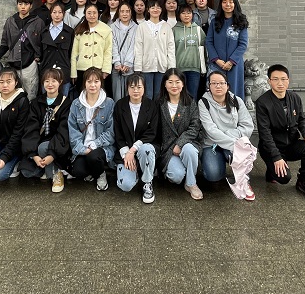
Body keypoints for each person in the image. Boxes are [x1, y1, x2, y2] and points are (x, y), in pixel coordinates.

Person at [254, 64, 305, 202]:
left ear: (288, 80)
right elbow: (265, 133)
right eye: (275, 79)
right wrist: (276, 157)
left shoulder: (294, 98)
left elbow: (302, 119)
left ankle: (303, 182)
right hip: (271, 148)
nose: (280, 83)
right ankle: (271, 169)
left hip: (291, 143)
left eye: (283, 79)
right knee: (284, 179)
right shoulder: (263, 102)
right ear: (269, 81)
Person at [198, 71, 255, 200]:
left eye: (221, 83)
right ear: (209, 86)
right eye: (214, 83)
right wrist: (233, 143)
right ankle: (221, 166)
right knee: (213, 174)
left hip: (233, 141)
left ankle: (243, 180)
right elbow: (210, 130)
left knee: (242, 152)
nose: (218, 86)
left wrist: (229, 136)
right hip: (212, 144)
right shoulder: (203, 102)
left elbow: (247, 126)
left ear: (227, 85)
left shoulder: (237, 101)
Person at [19, 68, 72, 193]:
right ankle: (44, 166)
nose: (50, 84)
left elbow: (64, 131)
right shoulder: (36, 103)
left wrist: (52, 155)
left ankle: (56, 173)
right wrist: (33, 155)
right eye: (47, 81)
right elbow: (31, 129)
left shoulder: (67, 103)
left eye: (54, 81)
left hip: (59, 146)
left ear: (60, 82)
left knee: (44, 147)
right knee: (26, 172)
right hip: (38, 143)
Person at [157, 69, 203, 200]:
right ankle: (186, 170)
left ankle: (191, 183)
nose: (174, 85)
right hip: (168, 149)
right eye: (170, 82)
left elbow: (195, 126)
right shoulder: (158, 103)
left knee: (189, 150)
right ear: (165, 84)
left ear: (183, 84)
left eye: (177, 82)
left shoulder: (190, 102)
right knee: (176, 176)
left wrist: (180, 143)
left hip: (188, 144)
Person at [113, 73, 159, 203]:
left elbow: (152, 133)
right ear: (127, 88)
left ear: (144, 88)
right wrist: (126, 153)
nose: (136, 90)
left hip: (144, 147)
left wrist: (133, 150)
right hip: (125, 149)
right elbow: (117, 133)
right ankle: (138, 171)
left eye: (139, 87)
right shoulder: (120, 105)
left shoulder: (151, 106)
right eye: (132, 87)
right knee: (125, 185)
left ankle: (147, 182)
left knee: (146, 149)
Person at [67, 67, 115, 191]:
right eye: (89, 81)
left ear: (101, 83)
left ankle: (100, 174)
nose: (92, 85)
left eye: (96, 81)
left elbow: (111, 132)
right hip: (83, 147)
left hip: (101, 147)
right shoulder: (76, 104)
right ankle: (94, 170)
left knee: (94, 157)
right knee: (78, 171)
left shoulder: (109, 103)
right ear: (84, 83)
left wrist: (94, 145)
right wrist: (83, 149)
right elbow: (73, 131)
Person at [0, 0, 44, 101]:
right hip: (13, 64)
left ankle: (30, 112)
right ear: (17, 5)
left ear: (31, 6)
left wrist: (38, 57)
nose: (23, 7)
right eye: (20, 4)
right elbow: (5, 43)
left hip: (30, 63)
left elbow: (42, 42)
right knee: (13, 93)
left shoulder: (38, 22)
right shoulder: (10, 21)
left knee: (31, 93)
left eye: (26, 4)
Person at [205, 0, 249, 101]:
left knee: (234, 93)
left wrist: (231, 61)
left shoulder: (241, 22)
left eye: (230, 2)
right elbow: (209, 42)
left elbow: (243, 44)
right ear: (221, 4)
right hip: (217, 64)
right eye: (224, 2)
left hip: (234, 65)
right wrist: (217, 60)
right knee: (217, 91)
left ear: (235, 4)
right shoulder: (215, 22)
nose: (227, 4)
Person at [134, 0, 176, 101]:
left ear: (161, 9)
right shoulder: (142, 27)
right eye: (152, 7)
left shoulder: (166, 26)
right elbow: (138, 48)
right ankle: (148, 112)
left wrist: (171, 67)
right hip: (146, 66)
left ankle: (158, 112)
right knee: (147, 94)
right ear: (148, 10)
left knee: (159, 95)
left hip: (162, 66)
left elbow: (171, 48)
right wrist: (138, 67)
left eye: (158, 7)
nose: (155, 9)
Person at [70, 4, 113, 94]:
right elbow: (74, 53)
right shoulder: (79, 30)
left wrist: (106, 70)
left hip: (99, 69)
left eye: (94, 13)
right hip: (82, 69)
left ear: (98, 14)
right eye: (89, 13)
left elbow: (108, 52)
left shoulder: (106, 30)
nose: (92, 15)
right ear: (85, 14)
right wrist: (73, 73)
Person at [39, 3, 74, 98]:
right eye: (54, 12)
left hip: (63, 70)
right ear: (50, 14)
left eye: (60, 12)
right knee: (46, 99)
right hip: (47, 70)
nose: (57, 15)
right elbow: (40, 52)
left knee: (63, 100)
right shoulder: (44, 32)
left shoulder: (69, 32)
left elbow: (72, 53)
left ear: (63, 14)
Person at [172, 4, 206, 99]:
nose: (186, 15)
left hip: (194, 68)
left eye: (189, 13)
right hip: (179, 68)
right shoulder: (174, 30)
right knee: (178, 96)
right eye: (183, 13)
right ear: (179, 15)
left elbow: (204, 49)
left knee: (192, 96)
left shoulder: (198, 30)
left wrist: (204, 66)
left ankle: (192, 110)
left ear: (192, 14)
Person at [111, 2, 138, 101]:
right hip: (116, 68)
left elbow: (134, 46)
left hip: (130, 67)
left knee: (129, 96)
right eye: (122, 11)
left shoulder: (136, 28)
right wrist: (117, 62)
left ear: (131, 13)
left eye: (127, 11)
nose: (125, 14)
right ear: (118, 13)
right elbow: (112, 45)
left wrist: (128, 63)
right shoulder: (112, 27)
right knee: (117, 97)